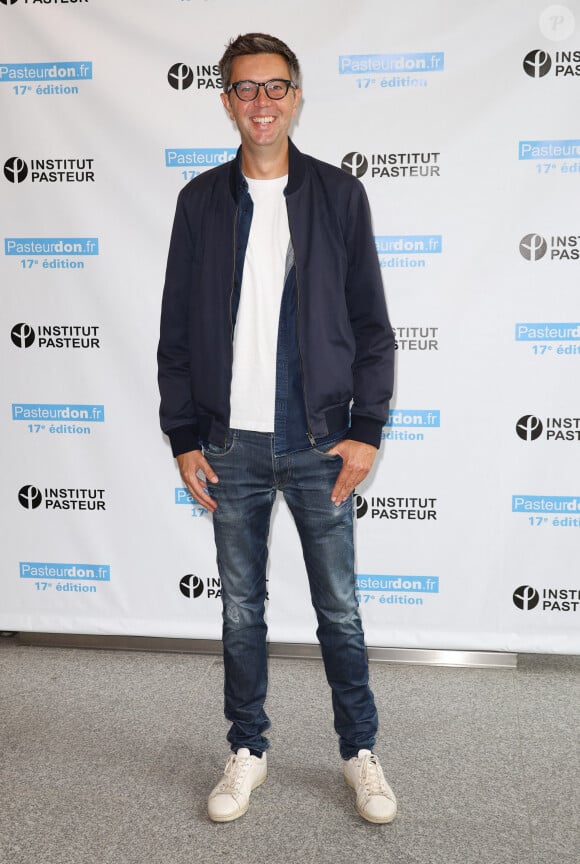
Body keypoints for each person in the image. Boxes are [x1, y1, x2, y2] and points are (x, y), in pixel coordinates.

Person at [157, 32, 397, 825]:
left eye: (276, 87)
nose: (262, 102)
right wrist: (184, 437)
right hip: (230, 445)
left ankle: (359, 752)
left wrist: (368, 428)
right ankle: (248, 750)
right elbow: (178, 337)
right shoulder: (199, 202)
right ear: (226, 100)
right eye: (246, 88)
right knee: (240, 610)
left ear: (297, 97)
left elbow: (372, 326)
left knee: (340, 610)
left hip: (321, 440)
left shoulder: (337, 196)